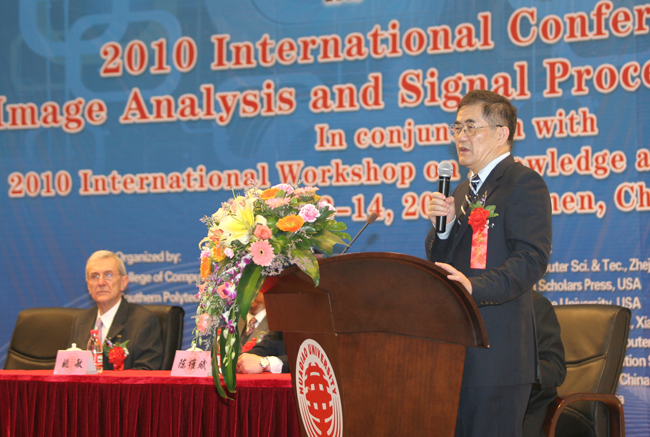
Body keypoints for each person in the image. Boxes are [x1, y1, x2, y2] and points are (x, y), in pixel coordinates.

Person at [425, 89, 552, 437]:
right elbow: (442, 264)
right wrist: (445, 228)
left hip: (498, 356)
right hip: (457, 349)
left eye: (471, 126)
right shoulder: (461, 192)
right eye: (456, 127)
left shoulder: (522, 182)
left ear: (501, 133)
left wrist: (474, 287)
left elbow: (531, 259)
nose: (460, 136)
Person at [68, 250, 163, 370]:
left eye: (108, 275)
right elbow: (70, 367)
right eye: (95, 276)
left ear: (123, 282)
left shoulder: (143, 321)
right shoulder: (81, 321)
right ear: (88, 285)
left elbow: (146, 371)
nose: (101, 282)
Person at [523, 292, 567, 437]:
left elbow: (555, 369)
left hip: (525, 411)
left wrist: (511, 368)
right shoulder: (469, 303)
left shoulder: (534, 304)